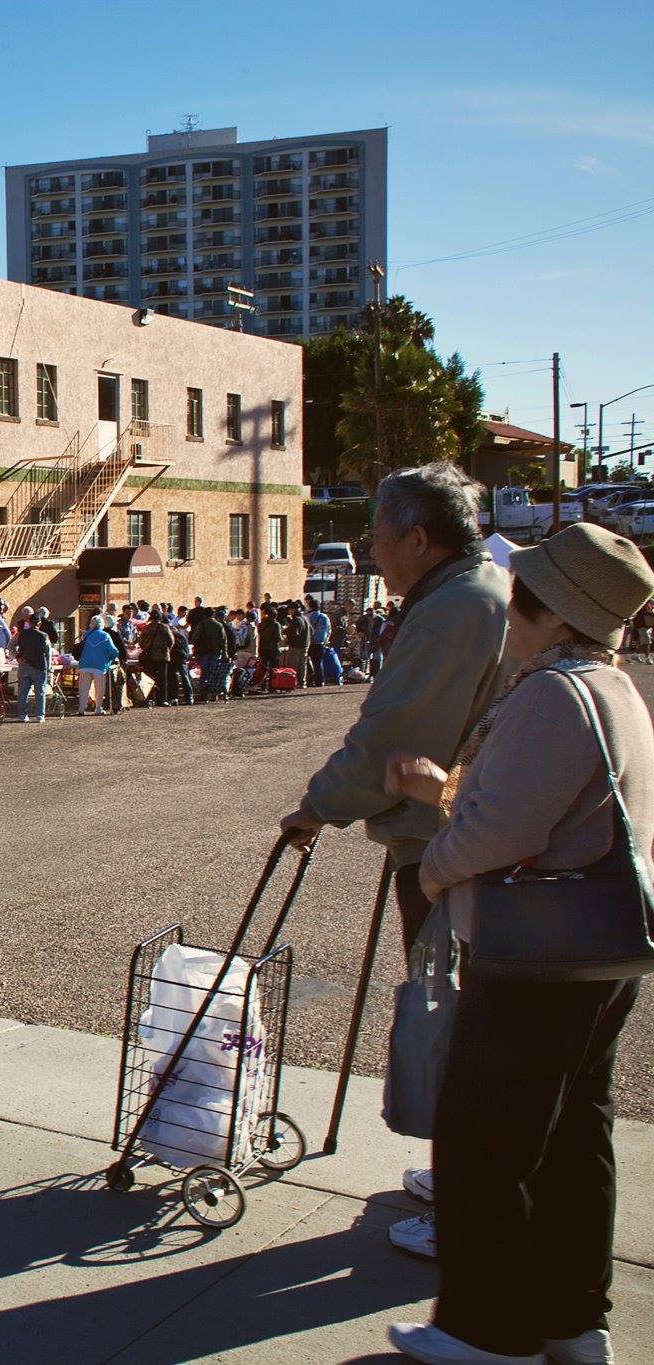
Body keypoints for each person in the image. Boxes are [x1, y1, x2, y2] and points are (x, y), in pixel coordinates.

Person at [382, 523, 653, 1365]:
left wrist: (434, 870)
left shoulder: (549, 694)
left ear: (543, 610)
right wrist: (451, 790)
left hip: (535, 958)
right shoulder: (613, 689)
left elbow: (503, 827)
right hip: (600, 951)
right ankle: (573, 1316)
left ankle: (487, 1329)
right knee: (577, 1133)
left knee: (486, 1140)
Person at [282, 463, 510, 1261]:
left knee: (451, 1019)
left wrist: (318, 805)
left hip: (448, 851)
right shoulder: (470, 592)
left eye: (380, 539)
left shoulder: (455, 608)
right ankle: (458, 1174)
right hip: (446, 838)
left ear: (419, 538)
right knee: (449, 1013)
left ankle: (467, 1194)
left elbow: (390, 735)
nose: (373, 553)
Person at [75, 614, 119, 716]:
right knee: (99, 688)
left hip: (84, 664)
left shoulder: (85, 635)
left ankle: (81, 709)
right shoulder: (105, 636)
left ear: (91, 624)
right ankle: (98, 708)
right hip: (99, 666)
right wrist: (113, 658)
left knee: (83, 688)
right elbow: (113, 651)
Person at [14, 607, 50, 722]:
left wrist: (17, 656)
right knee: (40, 692)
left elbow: (10, 645)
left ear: (28, 622)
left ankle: (22, 715)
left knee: (23, 692)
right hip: (39, 666)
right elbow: (48, 653)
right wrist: (48, 667)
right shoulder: (44, 636)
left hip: (24, 666)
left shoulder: (21, 634)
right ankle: (40, 715)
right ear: (39, 623)